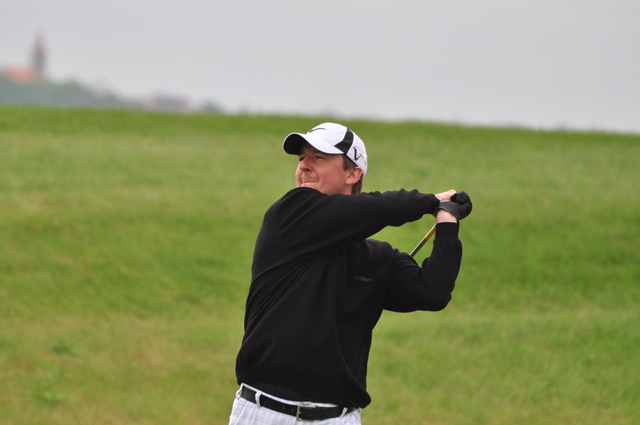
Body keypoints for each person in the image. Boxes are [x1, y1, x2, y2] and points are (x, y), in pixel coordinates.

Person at [228, 122, 472, 424]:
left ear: (353, 174)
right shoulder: (289, 215)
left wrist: (447, 221)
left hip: (337, 419)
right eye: (301, 158)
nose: (304, 166)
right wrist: (430, 201)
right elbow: (375, 209)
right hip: (263, 413)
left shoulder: (378, 258)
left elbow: (433, 292)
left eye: (318, 158)